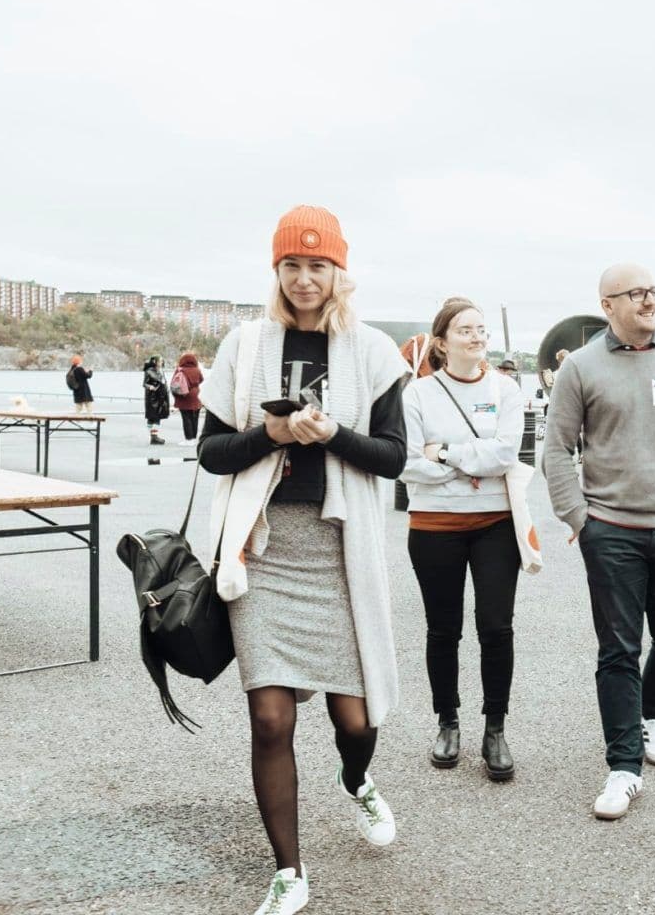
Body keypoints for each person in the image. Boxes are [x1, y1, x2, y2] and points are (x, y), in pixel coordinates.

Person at [197, 205, 407, 915]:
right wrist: (274, 433)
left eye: (319, 265)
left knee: (357, 721)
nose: (304, 278)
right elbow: (212, 452)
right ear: (277, 270)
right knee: (270, 719)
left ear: (339, 271)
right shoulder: (244, 345)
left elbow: (393, 457)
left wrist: (330, 434)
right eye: (292, 264)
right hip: (263, 549)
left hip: (340, 551)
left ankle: (356, 781)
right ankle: (289, 871)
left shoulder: (373, 351)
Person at [543, 263, 655, 821]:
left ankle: (653, 714)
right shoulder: (580, 367)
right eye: (637, 293)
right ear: (608, 305)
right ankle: (623, 768)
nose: (650, 301)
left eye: (654, 291)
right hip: (611, 531)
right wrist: (580, 520)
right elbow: (556, 450)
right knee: (618, 649)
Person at [400, 297, 524, 781]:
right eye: (465, 330)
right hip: (434, 526)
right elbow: (407, 463)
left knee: (496, 627)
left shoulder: (506, 389)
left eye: (481, 329)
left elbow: (506, 454)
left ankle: (495, 728)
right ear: (442, 342)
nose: (477, 337)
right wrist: (470, 463)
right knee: (442, 629)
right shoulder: (417, 394)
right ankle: (447, 722)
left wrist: (446, 454)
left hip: (495, 524)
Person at [171, 352, 204, 444]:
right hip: (196, 395)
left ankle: (188, 439)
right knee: (195, 418)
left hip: (185, 395)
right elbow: (201, 379)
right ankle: (193, 438)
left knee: (186, 418)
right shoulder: (197, 370)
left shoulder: (180, 370)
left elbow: (174, 383)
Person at [142, 355, 171, 446]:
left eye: (162, 361)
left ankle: (154, 436)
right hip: (152, 397)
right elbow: (144, 383)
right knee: (154, 417)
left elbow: (163, 382)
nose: (161, 362)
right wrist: (150, 387)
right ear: (155, 361)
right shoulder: (149, 371)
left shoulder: (161, 370)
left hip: (160, 396)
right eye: (160, 361)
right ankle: (154, 437)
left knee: (157, 416)